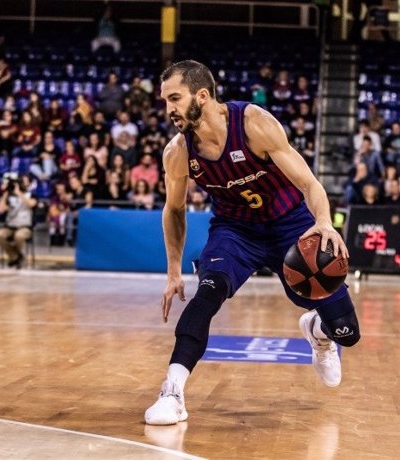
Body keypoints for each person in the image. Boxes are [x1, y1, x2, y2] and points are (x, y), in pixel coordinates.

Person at [144, 60, 360, 426]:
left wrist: (323, 221)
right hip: (235, 230)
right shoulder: (177, 152)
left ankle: (318, 333)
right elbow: (174, 211)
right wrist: (172, 270)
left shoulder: (254, 124)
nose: (169, 109)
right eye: (165, 101)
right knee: (207, 295)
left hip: (291, 224)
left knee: (347, 332)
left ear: (202, 95)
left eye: (175, 98)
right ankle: (173, 391)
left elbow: (309, 183)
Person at [0, 174, 38, 268]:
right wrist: (5, 194)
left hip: (25, 227)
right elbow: (1, 210)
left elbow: (31, 204)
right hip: (10, 226)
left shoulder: (32, 195)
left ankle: (15, 257)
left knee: (19, 236)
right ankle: (16, 256)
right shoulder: (9, 197)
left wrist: (19, 193)